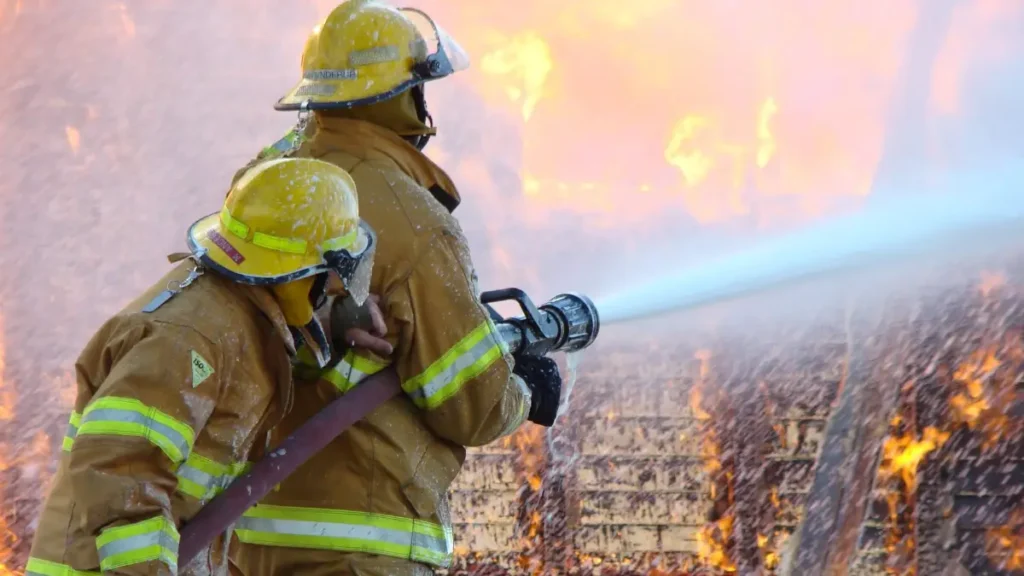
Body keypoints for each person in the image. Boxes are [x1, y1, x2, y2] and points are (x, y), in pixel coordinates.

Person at [228, 1, 564, 574]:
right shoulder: (413, 220)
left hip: (252, 535)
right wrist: (528, 391)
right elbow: (469, 405)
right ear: (401, 95)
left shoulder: (265, 181)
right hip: (364, 545)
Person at [25, 157, 379, 576]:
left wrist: (333, 322)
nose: (333, 286)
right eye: (328, 274)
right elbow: (119, 467)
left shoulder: (233, 315)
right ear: (295, 272)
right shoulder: (190, 338)